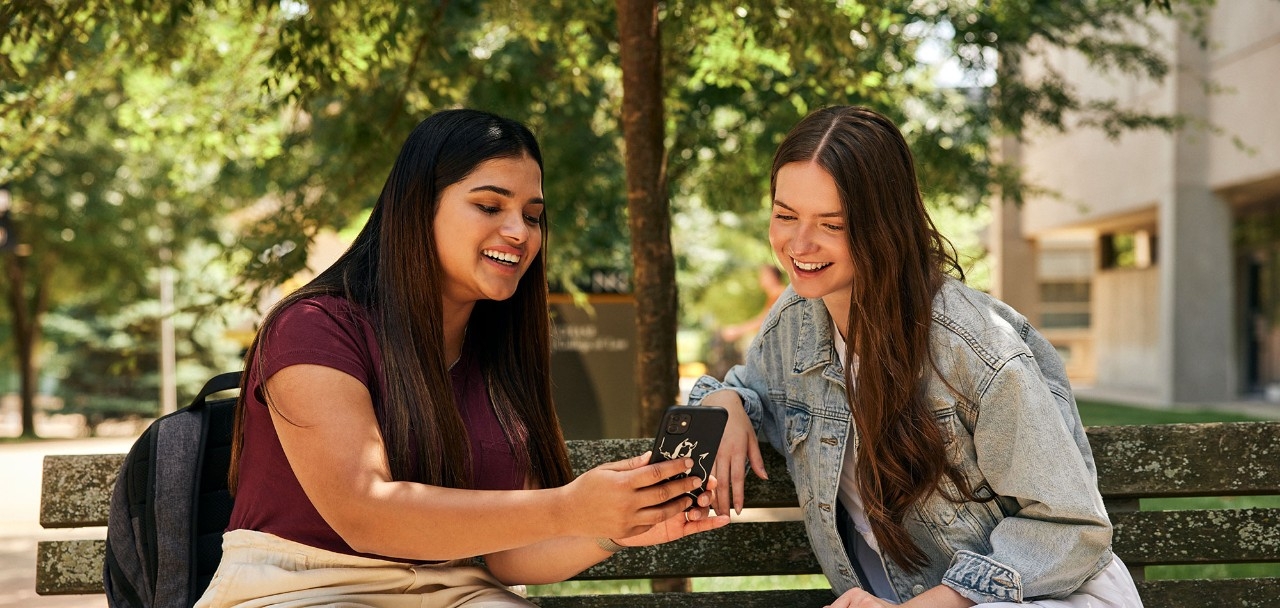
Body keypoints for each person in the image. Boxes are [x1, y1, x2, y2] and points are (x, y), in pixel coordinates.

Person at [198, 109, 728, 608]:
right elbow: (364, 513)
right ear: (417, 207)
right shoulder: (314, 328)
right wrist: (569, 505)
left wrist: (611, 528)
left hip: (456, 591)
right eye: (490, 206)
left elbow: (506, 554)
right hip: (306, 588)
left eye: (533, 215)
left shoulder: (498, 352)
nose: (520, 232)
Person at [690, 106, 1142, 608]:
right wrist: (726, 402)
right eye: (785, 215)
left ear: (883, 225)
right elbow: (752, 388)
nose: (799, 243)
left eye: (832, 224)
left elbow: (1070, 527)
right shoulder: (793, 323)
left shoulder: (974, 348)